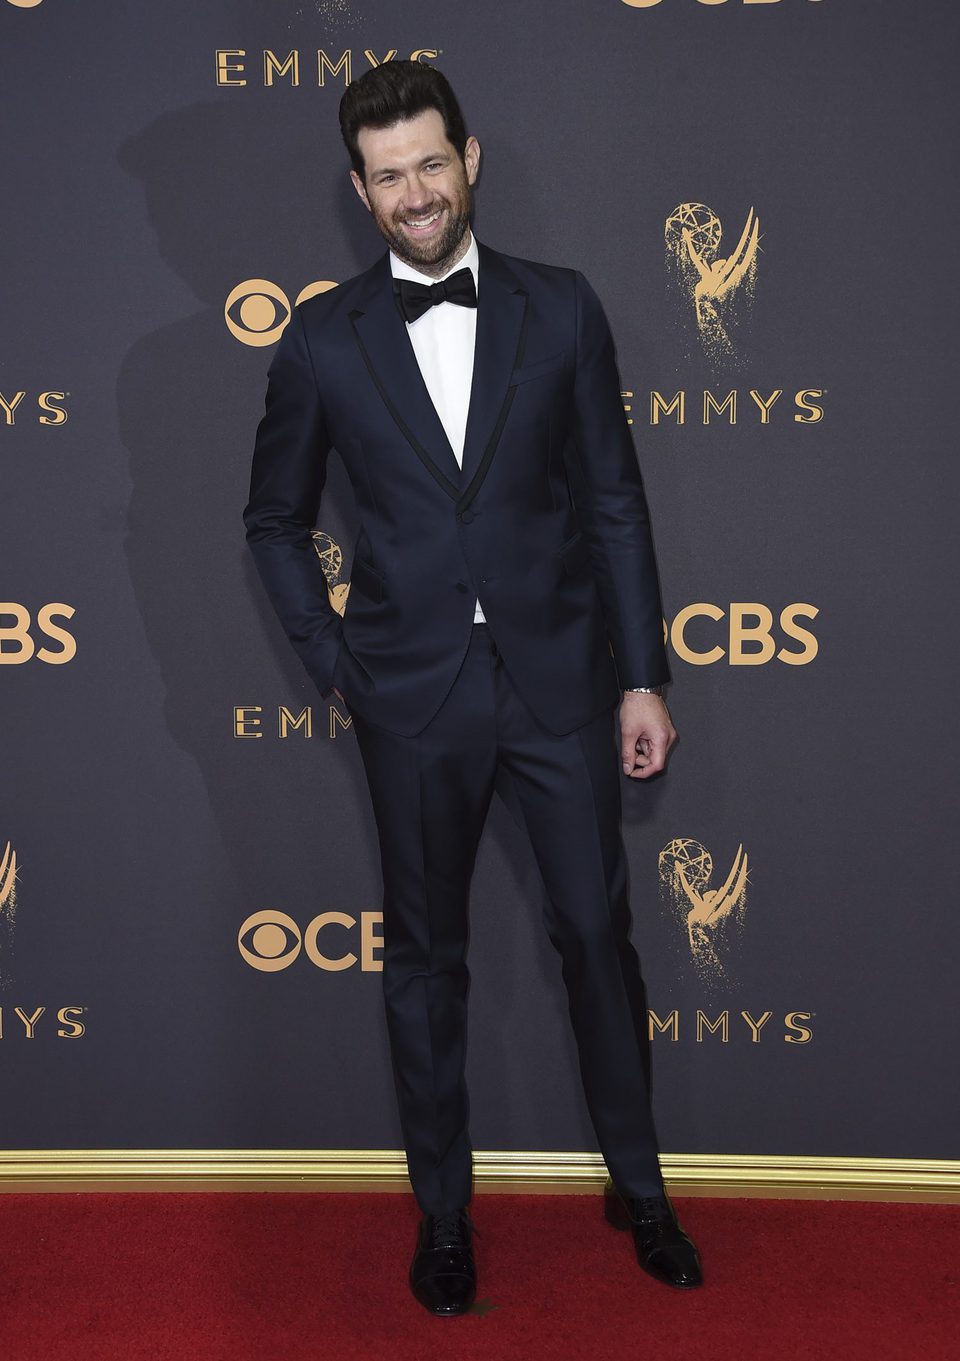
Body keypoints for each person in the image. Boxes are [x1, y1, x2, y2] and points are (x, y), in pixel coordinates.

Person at [243, 60, 703, 1315]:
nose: (414, 193)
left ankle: (641, 1188)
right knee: (425, 966)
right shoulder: (325, 337)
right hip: (413, 698)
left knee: (598, 945)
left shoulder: (561, 309)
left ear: (472, 159)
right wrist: (340, 666)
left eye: (430, 164)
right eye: (387, 176)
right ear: (359, 191)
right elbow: (273, 522)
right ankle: (443, 1216)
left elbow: (614, 499)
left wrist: (644, 678)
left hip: (562, 683)